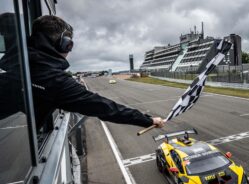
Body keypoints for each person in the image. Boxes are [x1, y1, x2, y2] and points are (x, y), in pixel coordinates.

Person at [1, 14, 164, 129]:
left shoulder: (18, 59)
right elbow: (105, 108)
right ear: (63, 44)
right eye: (69, 44)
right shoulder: (55, 81)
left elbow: (8, 19)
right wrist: (148, 120)